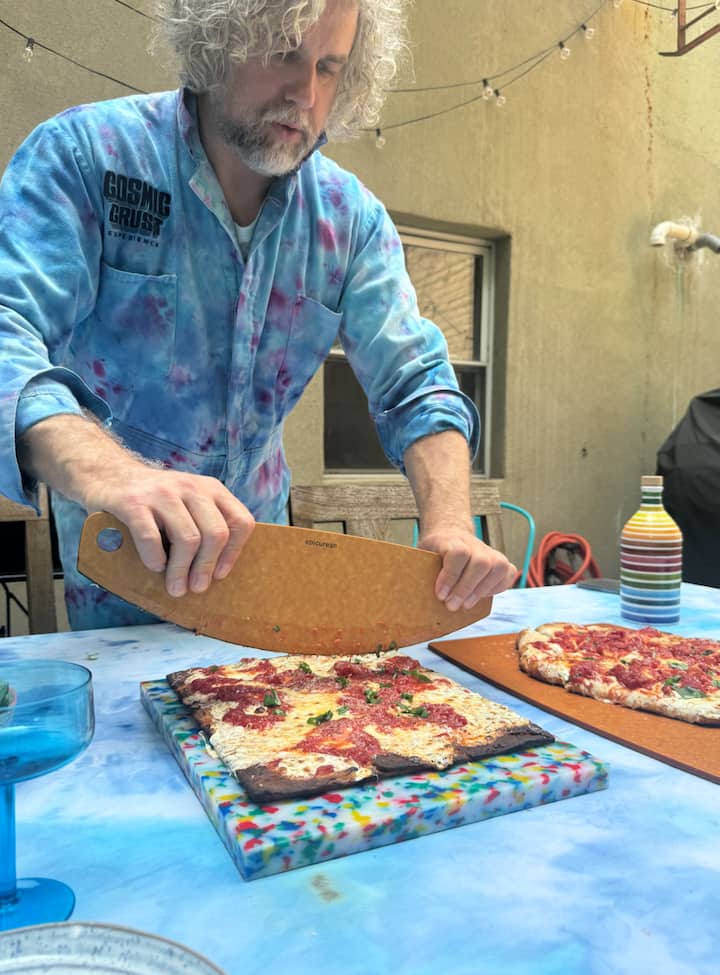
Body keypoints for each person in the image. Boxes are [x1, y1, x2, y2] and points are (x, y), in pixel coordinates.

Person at [0, 0, 516, 631]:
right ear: (217, 39)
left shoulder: (348, 220)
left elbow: (415, 385)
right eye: (283, 53)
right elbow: (6, 331)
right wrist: (115, 474)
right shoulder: (87, 157)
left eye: (329, 67)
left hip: (265, 580)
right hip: (120, 582)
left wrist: (451, 525)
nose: (306, 94)